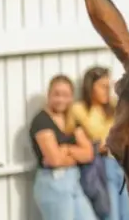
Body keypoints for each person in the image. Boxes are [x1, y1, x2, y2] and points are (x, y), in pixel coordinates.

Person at [30, 75, 97, 220]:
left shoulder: (71, 119)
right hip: (53, 183)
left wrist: (67, 149)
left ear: (71, 97)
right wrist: (76, 155)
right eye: (56, 94)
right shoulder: (41, 121)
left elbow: (89, 153)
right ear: (49, 95)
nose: (61, 99)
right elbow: (55, 160)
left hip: (73, 181)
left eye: (65, 95)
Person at [69, 66, 129, 220]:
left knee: (126, 213)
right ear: (91, 86)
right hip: (102, 164)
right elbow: (76, 133)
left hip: (122, 163)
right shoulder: (80, 109)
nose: (107, 91)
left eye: (108, 86)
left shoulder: (114, 105)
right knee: (111, 214)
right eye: (102, 87)